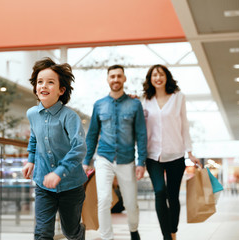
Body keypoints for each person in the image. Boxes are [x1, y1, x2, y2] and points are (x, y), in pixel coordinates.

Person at [22, 57, 87, 240]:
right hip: (43, 184)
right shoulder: (32, 114)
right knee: (42, 232)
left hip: (71, 186)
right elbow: (34, 137)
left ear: (61, 90)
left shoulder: (70, 117)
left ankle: (79, 233)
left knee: (70, 231)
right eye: (40, 82)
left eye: (50, 82)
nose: (43, 86)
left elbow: (79, 148)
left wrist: (60, 172)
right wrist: (31, 160)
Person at [83, 64, 147, 240]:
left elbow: (141, 134)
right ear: (108, 79)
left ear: (124, 79)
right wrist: (86, 161)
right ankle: (107, 238)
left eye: (119, 76)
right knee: (103, 200)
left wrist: (141, 162)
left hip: (127, 159)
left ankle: (134, 230)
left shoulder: (135, 104)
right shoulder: (99, 105)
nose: (116, 79)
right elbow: (92, 135)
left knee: (131, 203)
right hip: (104, 157)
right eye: (112, 76)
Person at [142, 64, 201, 240]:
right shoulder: (144, 100)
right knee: (160, 192)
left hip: (175, 153)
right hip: (152, 155)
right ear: (150, 79)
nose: (158, 78)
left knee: (173, 196)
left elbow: (184, 125)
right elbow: (140, 127)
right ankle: (167, 237)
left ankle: (173, 230)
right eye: (154, 75)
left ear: (167, 77)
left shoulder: (178, 97)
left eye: (161, 75)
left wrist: (189, 151)